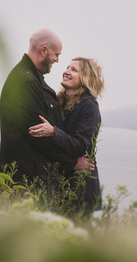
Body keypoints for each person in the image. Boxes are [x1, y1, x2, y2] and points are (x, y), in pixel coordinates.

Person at [0, 29, 91, 184]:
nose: (57, 60)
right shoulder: (25, 82)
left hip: (30, 177)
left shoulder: (32, 79)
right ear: (43, 51)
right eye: (56, 54)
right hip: (25, 180)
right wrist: (72, 163)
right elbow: (37, 135)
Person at [29, 57, 104, 214]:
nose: (66, 72)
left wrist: (54, 132)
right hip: (60, 183)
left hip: (80, 187)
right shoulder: (58, 101)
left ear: (86, 79)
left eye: (74, 70)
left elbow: (80, 146)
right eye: (67, 67)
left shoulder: (89, 106)